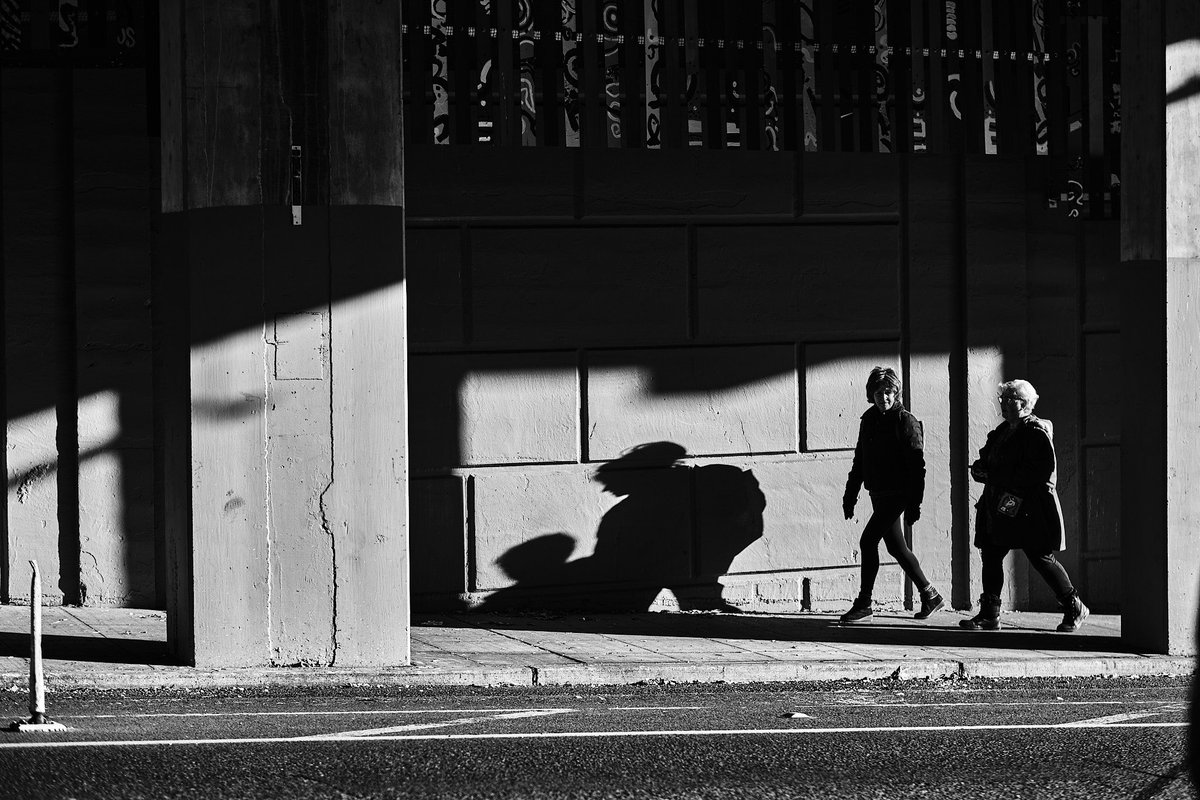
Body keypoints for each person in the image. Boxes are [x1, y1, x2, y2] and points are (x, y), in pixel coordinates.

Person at [961, 379, 1089, 633]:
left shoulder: (1035, 432)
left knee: (1040, 557)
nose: (1004, 405)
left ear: (1024, 404)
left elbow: (1040, 471)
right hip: (999, 505)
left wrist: (996, 475)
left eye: (1009, 400)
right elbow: (986, 458)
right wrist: (980, 469)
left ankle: (1074, 605)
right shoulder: (1002, 431)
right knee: (992, 553)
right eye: (1003, 400)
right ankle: (990, 613)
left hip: (1028, 508)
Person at [840, 366, 943, 624]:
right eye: (878, 392)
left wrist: (914, 504)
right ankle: (930, 594)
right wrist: (850, 496)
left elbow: (917, 467)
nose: (883, 397)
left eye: (888, 392)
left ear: (896, 393)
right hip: (878, 493)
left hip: (898, 494)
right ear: (870, 394)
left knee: (868, 541)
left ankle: (864, 603)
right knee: (896, 548)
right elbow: (860, 460)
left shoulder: (905, 421)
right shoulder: (869, 421)